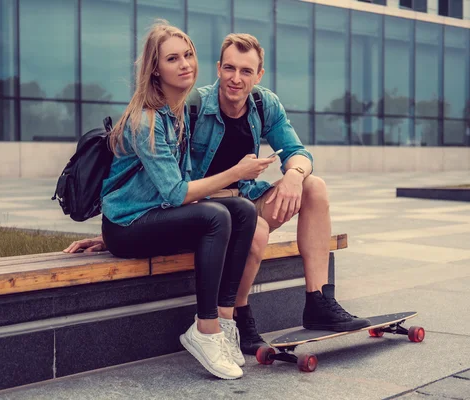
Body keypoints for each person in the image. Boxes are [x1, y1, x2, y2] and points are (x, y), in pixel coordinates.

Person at [65, 33, 370, 356]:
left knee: (314, 187)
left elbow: (297, 151)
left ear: (259, 75)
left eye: (246, 71)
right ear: (218, 68)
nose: (236, 79)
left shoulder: (263, 104)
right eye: (229, 68)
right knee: (256, 227)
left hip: (244, 197)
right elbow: (154, 178)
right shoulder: (192, 106)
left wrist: (294, 174)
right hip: (208, 206)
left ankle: (318, 300)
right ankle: (239, 315)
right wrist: (121, 229)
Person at [93, 22, 276, 380]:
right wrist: (237, 172)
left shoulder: (177, 115)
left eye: (188, 55)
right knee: (215, 218)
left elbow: (188, 183)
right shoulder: (145, 120)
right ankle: (204, 330)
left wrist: (239, 187)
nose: (185, 64)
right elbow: (177, 192)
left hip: (154, 217)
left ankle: (224, 321)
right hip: (127, 226)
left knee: (239, 210)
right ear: (155, 69)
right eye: (173, 58)